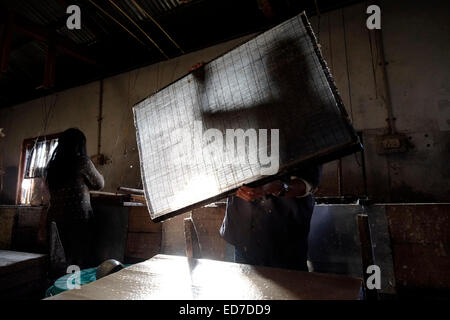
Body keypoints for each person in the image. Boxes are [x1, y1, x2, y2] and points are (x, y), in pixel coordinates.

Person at [220, 165, 322, 271]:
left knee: (291, 284)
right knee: (246, 282)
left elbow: (308, 182)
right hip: (243, 233)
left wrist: (280, 187)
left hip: (285, 236)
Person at [45, 128, 104, 273]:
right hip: (78, 220)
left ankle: (61, 289)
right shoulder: (82, 162)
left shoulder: (52, 166)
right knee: (79, 260)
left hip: (55, 221)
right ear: (80, 145)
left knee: (62, 260)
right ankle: (75, 291)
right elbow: (99, 184)